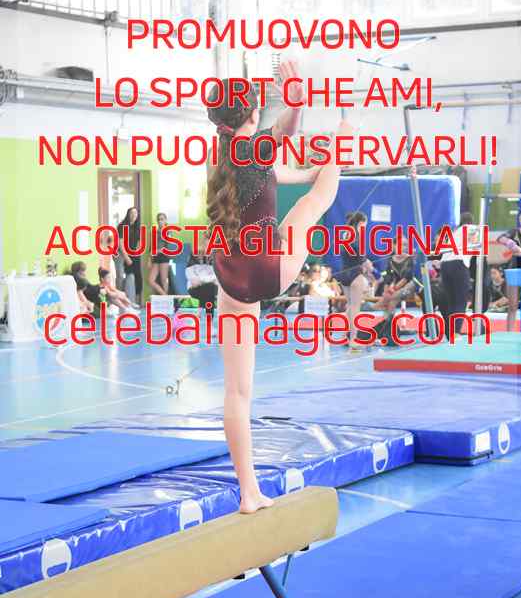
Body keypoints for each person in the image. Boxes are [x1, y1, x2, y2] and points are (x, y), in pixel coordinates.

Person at [207, 63, 349, 513]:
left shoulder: (223, 152)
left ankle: (248, 492)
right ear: (252, 114)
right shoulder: (256, 150)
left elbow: (270, 167)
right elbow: (284, 133)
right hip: (268, 270)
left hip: (231, 277)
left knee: (237, 392)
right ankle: (347, 137)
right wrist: (298, 102)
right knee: (314, 203)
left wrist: (302, 170)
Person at [335, 210, 374, 349]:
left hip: (344, 273)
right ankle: (353, 339)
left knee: (350, 306)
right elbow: (362, 259)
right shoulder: (359, 237)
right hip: (355, 274)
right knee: (355, 308)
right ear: (361, 223)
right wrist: (370, 267)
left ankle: (343, 336)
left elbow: (351, 255)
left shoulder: (345, 234)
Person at [439, 212, 481, 340]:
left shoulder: (454, 232)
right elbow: (474, 240)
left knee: (451, 302)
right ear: (471, 221)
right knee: (461, 301)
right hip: (458, 264)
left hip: (444, 265)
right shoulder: (471, 228)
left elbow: (442, 250)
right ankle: (456, 333)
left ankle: (450, 333)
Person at [498, 203, 521, 332]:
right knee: (512, 306)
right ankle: (510, 333)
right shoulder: (514, 232)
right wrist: (509, 243)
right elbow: (500, 238)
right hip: (514, 271)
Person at [118, 207, 143, 305]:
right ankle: (123, 300)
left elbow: (139, 242)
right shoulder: (122, 226)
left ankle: (134, 300)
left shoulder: (138, 227)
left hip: (134, 254)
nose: (134, 215)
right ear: (128, 214)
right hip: (122, 254)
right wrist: (126, 257)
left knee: (137, 277)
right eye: (131, 213)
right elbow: (120, 243)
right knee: (125, 276)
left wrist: (137, 251)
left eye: (135, 213)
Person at [148, 212, 172, 296]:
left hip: (164, 257)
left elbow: (167, 247)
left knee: (163, 280)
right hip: (156, 258)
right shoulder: (154, 231)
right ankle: (165, 296)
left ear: (165, 220)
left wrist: (158, 251)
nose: (160, 221)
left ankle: (165, 298)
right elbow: (151, 247)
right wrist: (149, 259)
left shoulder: (168, 231)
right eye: (158, 220)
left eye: (162, 219)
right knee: (151, 280)